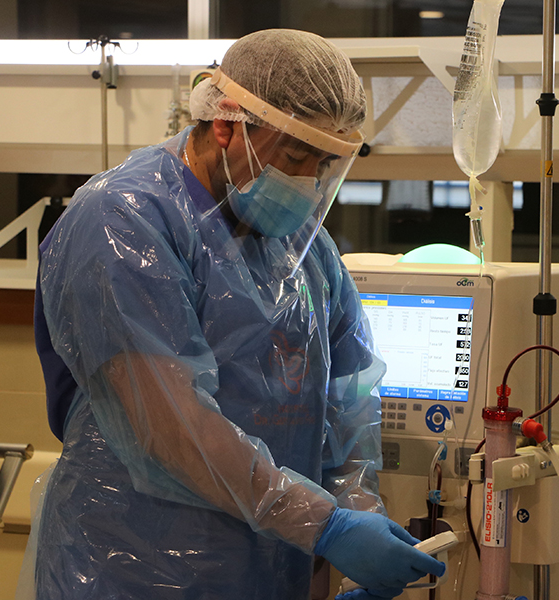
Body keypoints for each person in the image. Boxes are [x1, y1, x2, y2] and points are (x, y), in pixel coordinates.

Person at [32, 28, 445, 600]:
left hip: (273, 566)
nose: (308, 181)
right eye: (296, 156)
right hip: (136, 564)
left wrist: (356, 511)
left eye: (326, 163)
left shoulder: (304, 247)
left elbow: (347, 405)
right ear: (227, 124)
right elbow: (171, 429)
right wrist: (326, 526)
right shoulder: (124, 222)